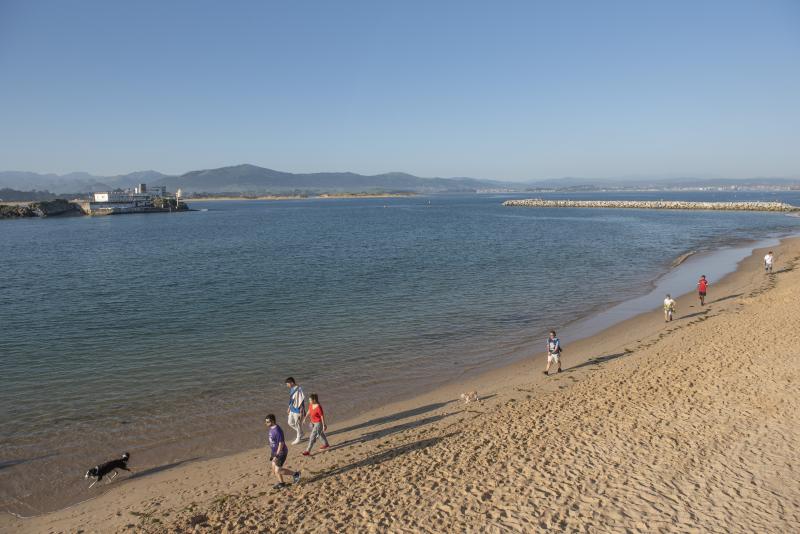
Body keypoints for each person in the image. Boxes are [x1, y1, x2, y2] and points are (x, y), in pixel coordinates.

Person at [264, 414, 300, 489]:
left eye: (267, 422)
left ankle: (295, 474)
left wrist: (277, 455)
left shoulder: (278, 430)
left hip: (281, 452)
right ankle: (281, 483)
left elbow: (281, 443)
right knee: (274, 469)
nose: (266, 423)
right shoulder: (271, 428)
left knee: (278, 470)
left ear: (273, 421)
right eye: (266, 422)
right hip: (274, 451)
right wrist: (272, 454)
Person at [286, 377, 306, 444]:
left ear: (292, 383)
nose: (287, 385)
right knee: (290, 423)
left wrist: (301, 411)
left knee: (297, 424)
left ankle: (298, 438)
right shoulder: (292, 389)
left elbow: (301, 401)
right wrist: (289, 407)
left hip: (297, 410)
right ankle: (301, 433)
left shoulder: (299, 389)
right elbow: (291, 399)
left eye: (287, 384)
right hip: (292, 409)